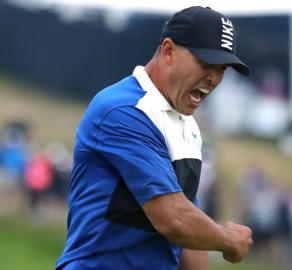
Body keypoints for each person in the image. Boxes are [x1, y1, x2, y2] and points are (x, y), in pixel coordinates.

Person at [55, 6, 252, 270]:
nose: (214, 78)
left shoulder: (187, 126)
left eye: (222, 69)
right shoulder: (124, 111)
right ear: (169, 50)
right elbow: (173, 218)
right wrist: (227, 239)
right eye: (206, 63)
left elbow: (188, 227)